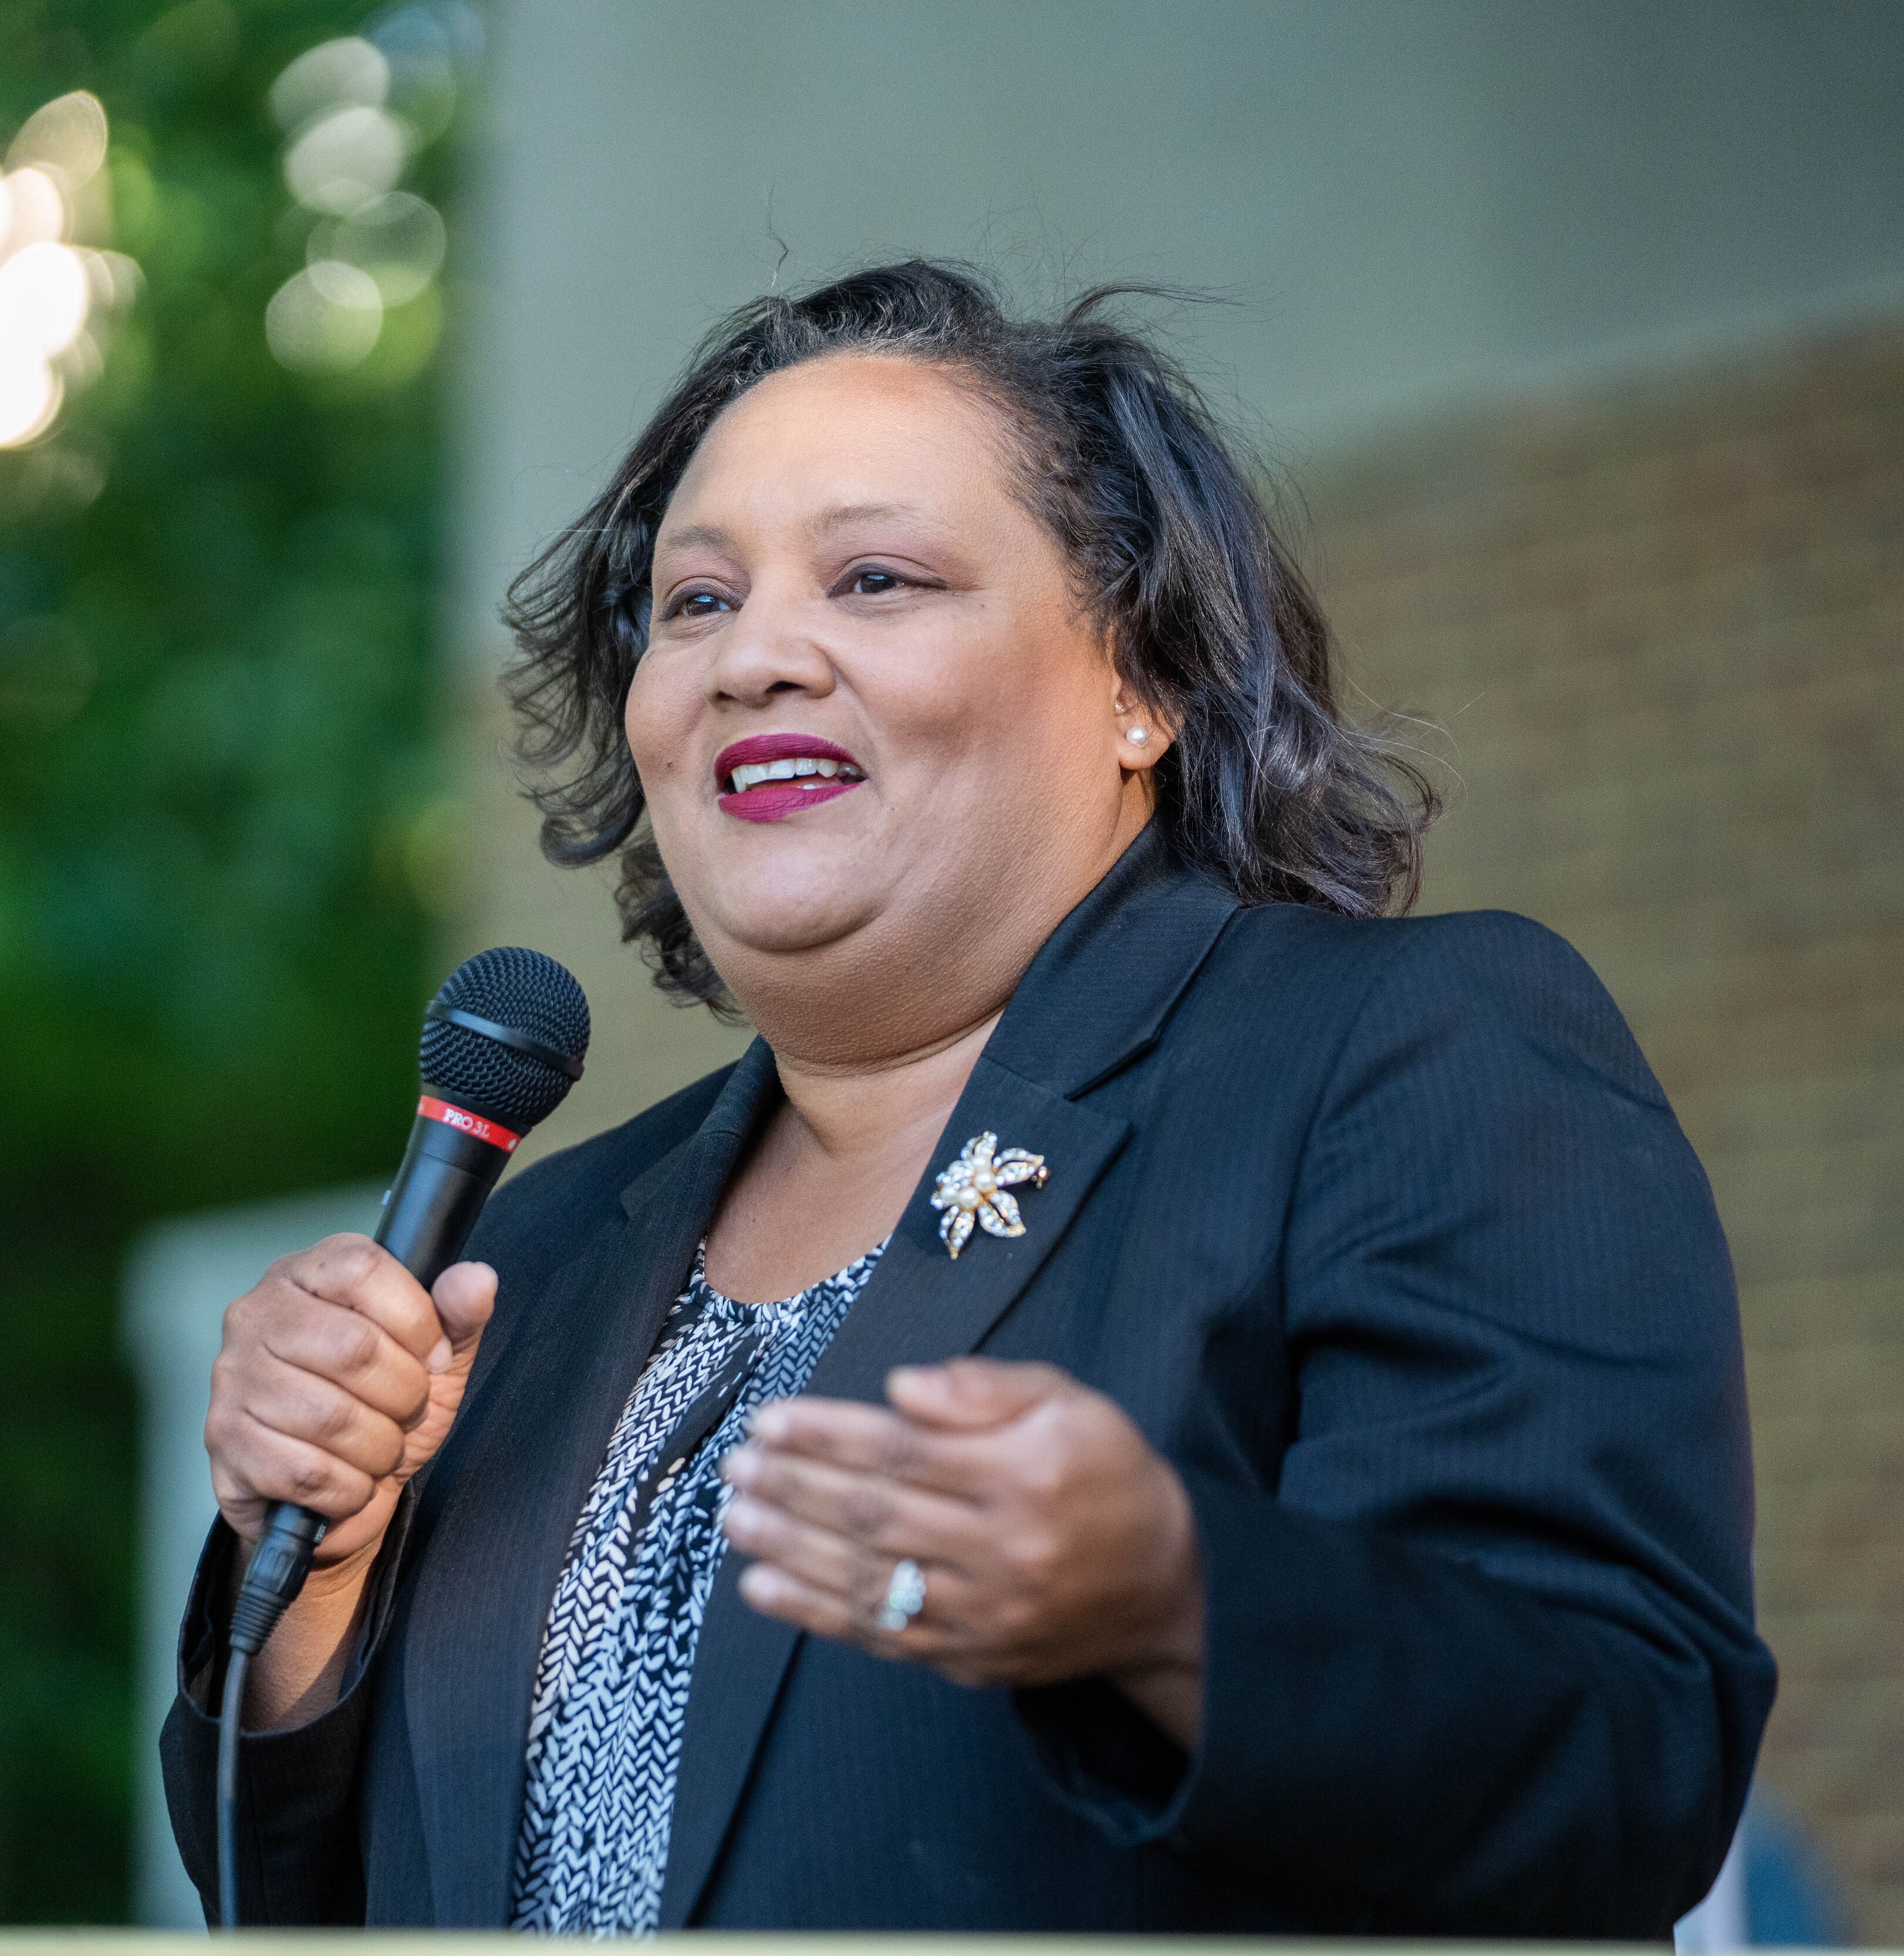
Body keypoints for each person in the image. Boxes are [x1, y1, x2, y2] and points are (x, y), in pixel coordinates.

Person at [161, 261, 1774, 1934]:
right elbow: (319, 1905)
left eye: (875, 578)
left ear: (1145, 682)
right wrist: (320, 1588)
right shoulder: (544, 1252)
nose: (752, 655)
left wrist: (1172, 1606)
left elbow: (1621, 1768)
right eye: (694, 603)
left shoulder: (1404, 1056)